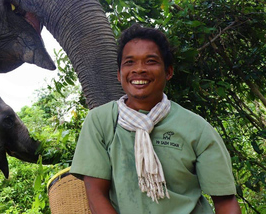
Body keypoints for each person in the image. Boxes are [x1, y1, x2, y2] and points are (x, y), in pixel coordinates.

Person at [70, 24, 240, 214]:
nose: (139, 69)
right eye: (129, 62)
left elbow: (226, 202)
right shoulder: (101, 121)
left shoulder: (196, 128)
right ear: (119, 74)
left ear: (168, 72)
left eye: (150, 61)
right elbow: (95, 194)